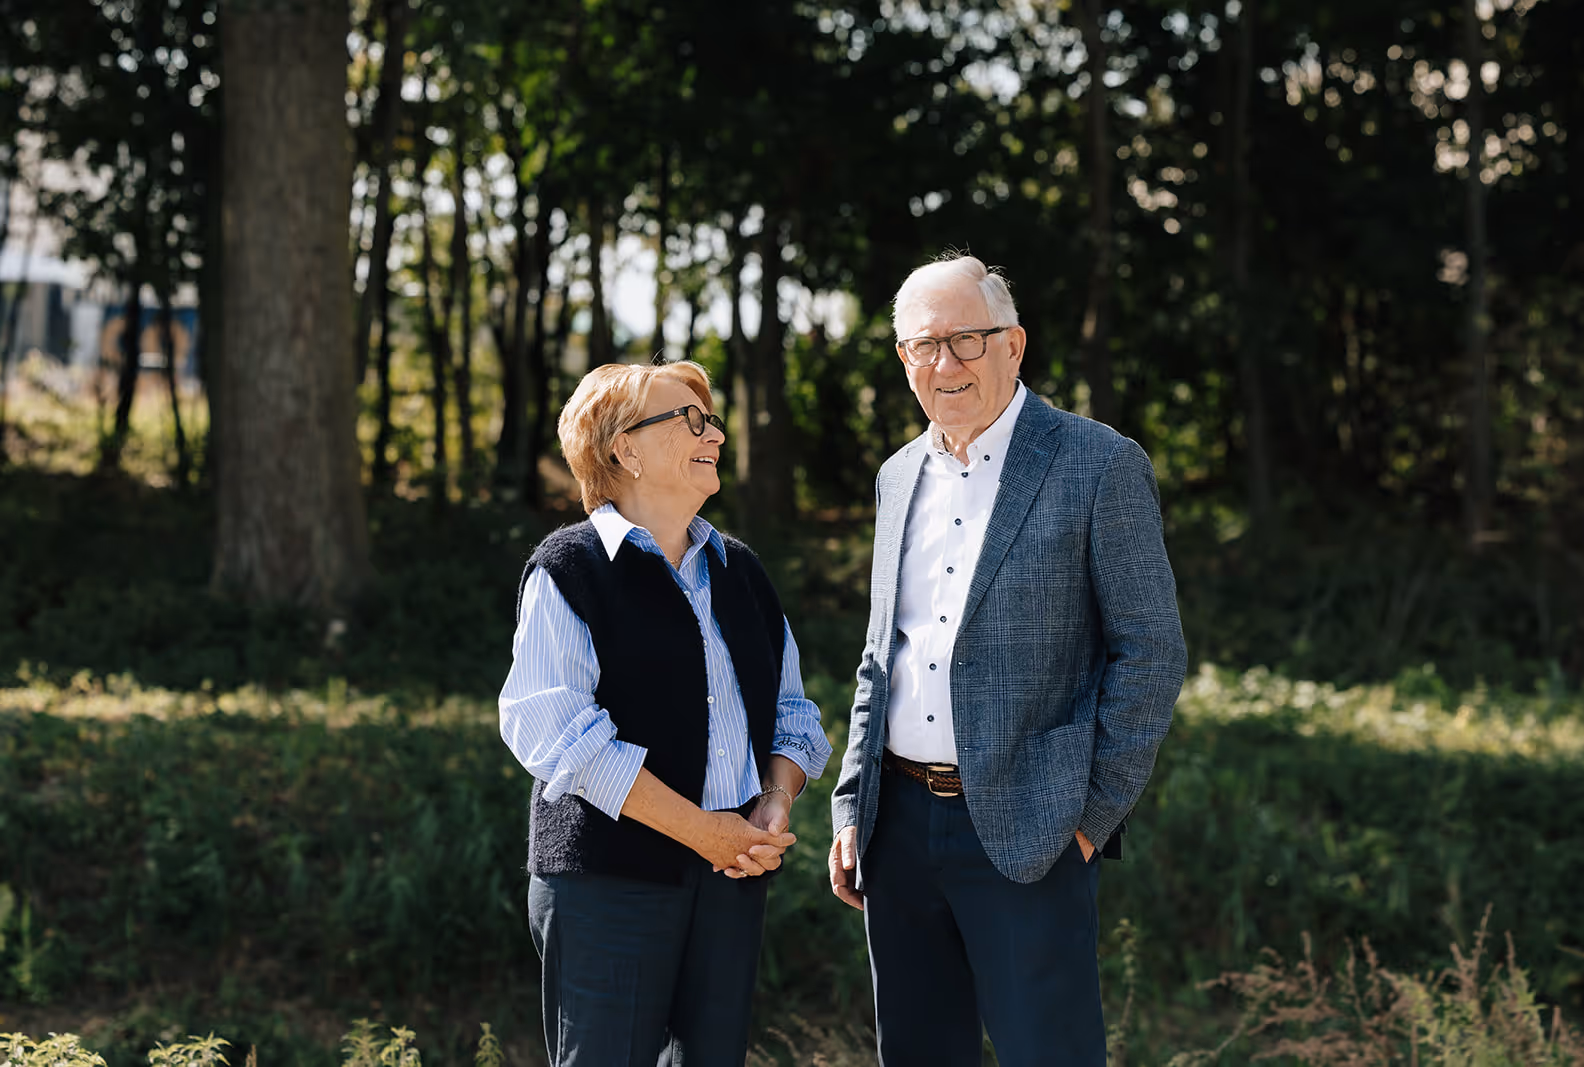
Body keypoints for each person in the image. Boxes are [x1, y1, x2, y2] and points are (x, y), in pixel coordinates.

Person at [828, 255, 1187, 1065]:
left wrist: (1091, 818)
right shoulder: (895, 477)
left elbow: (1152, 652)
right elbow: (878, 659)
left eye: (967, 340)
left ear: (1013, 346)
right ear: (903, 362)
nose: (945, 364)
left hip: (1035, 828)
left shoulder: (1099, 464)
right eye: (925, 346)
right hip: (899, 832)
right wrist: (853, 805)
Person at [500, 359, 832, 1067]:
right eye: (688, 418)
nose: (712, 432)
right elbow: (557, 732)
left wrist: (774, 799)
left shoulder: (740, 569)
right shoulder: (570, 568)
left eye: (709, 418)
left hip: (731, 881)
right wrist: (704, 832)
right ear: (624, 449)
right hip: (606, 883)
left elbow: (794, 711)